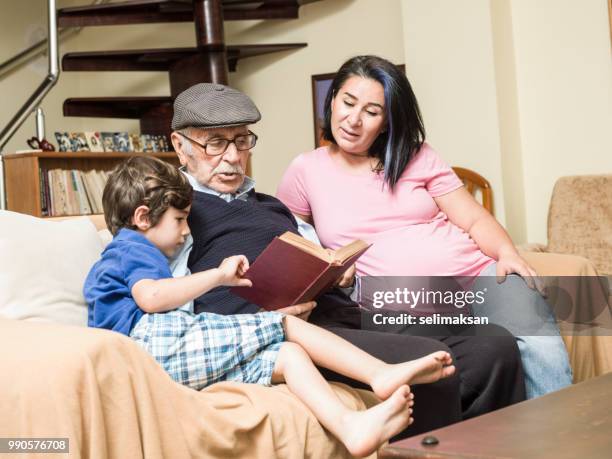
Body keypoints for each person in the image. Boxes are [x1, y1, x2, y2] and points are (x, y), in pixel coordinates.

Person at [167, 82, 526, 434]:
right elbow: (169, 303)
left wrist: (339, 271)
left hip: (342, 314)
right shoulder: (173, 211)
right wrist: (259, 323)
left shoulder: (272, 205)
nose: (232, 156)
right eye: (216, 143)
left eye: (242, 141)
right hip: (286, 335)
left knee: (492, 346)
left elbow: (317, 254)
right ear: (180, 147)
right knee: (427, 362)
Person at [83, 156, 456, 457]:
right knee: (285, 325)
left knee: (289, 355)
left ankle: (350, 427)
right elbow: (151, 297)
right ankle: (379, 374)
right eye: (179, 220)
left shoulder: (127, 253)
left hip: (163, 352)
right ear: (143, 217)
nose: (185, 231)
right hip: (152, 347)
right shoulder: (132, 247)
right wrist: (217, 276)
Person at [276, 55, 572, 399]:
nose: (353, 120)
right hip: (399, 300)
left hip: (477, 276)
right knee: (491, 349)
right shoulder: (306, 170)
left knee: (540, 342)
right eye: (347, 102)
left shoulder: (417, 155)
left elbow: (474, 218)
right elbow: (293, 241)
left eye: (371, 112)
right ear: (333, 101)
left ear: (387, 122)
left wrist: (507, 253)